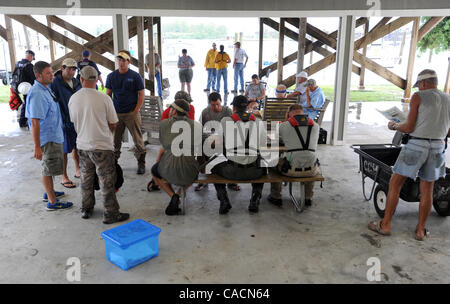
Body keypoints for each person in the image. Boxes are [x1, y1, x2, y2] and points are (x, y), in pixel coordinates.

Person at [368, 69, 450, 241]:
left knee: (395, 184)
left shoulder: (417, 97)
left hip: (416, 146)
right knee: (427, 189)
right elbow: (448, 132)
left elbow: (409, 127)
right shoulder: (448, 98)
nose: (419, 88)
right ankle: (420, 230)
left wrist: (394, 125)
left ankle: (386, 225)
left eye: (419, 85)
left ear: (423, 83)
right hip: (437, 149)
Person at [68, 66, 129, 224]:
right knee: (106, 181)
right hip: (102, 146)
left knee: (86, 179)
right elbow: (113, 123)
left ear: (81, 79)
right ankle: (110, 213)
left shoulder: (73, 98)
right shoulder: (104, 98)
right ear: (96, 80)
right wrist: (105, 132)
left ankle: (86, 208)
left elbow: (74, 122)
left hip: (82, 145)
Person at [25, 61, 73, 210]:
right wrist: (37, 146)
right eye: (48, 73)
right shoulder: (37, 94)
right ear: (38, 75)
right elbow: (34, 122)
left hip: (54, 134)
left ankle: (49, 192)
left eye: (51, 72)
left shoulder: (46, 88)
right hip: (48, 138)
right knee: (47, 168)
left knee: (51, 167)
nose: (52, 75)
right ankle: (52, 202)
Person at [212, 95, 266, 214]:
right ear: (247, 107)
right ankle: (255, 198)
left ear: (234, 107)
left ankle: (223, 199)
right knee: (263, 164)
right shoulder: (258, 122)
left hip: (231, 171)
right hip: (254, 172)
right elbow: (264, 143)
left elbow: (217, 142)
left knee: (213, 168)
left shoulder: (226, 121)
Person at [151, 99, 202, 216]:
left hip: (168, 169)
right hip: (189, 171)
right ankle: (179, 194)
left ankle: (173, 196)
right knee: (195, 172)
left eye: (171, 108)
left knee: (154, 170)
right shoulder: (196, 126)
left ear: (174, 111)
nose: (169, 111)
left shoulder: (164, 124)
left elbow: (164, 146)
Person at [268, 104, 320, 207]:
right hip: (312, 171)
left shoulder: (284, 125)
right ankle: (308, 197)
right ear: (303, 113)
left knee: (272, 163)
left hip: (290, 170)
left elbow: (274, 140)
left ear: (288, 114)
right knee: (309, 158)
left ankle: (276, 196)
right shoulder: (316, 126)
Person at [147, 90, 196, 192]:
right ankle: (172, 190)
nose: (189, 105)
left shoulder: (190, 108)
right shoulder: (166, 113)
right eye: (188, 103)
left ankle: (176, 194)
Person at [106, 50, 146, 174]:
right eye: (119, 60)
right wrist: (109, 112)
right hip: (116, 113)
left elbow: (141, 94)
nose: (121, 62)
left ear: (128, 62)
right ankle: (113, 163)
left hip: (131, 113)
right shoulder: (111, 76)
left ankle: (141, 163)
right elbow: (108, 95)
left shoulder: (135, 76)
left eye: (124, 60)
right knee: (114, 141)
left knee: (138, 140)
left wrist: (136, 110)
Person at [195, 92, 239, 192]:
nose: (215, 107)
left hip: (224, 140)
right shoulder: (205, 112)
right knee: (199, 152)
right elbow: (199, 128)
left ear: (221, 102)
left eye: (217, 104)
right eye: (213, 105)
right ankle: (203, 179)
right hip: (209, 140)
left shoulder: (228, 111)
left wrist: (222, 137)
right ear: (209, 104)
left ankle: (232, 181)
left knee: (234, 151)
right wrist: (208, 137)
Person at [50, 58, 82, 189]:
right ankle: (64, 176)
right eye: (69, 68)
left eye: (74, 69)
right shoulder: (55, 82)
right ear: (62, 68)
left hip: (77, 120)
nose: (72, 71)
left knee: (77, 147)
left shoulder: (76, 82)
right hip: (62, 121)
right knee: (64, 150)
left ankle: (78, 170)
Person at [13, 50, 36, 128]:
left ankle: (23, 121)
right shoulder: (29, 65)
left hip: (20, 88)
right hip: (28, 88)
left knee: (26, 103)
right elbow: (33, 78)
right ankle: (23, 121)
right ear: (31, 56)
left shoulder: (18, 63)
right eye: (32, 58)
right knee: (28, 104)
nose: (32, 60)